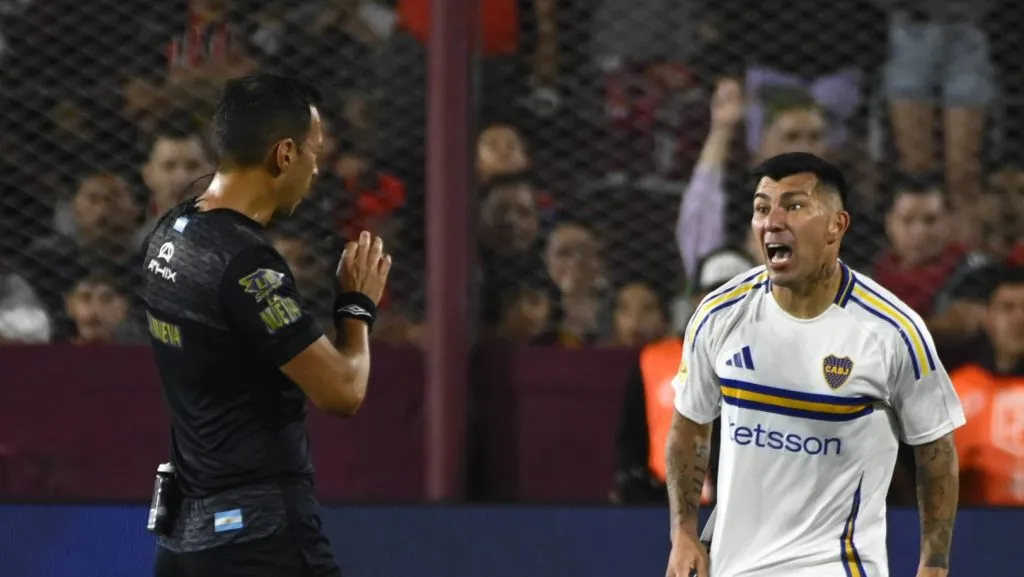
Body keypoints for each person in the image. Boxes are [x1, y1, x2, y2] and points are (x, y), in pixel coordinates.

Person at [664, 152, 965, 577]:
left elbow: (936, 452)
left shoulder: (893, 331)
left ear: (836, 226)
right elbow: (688, 428)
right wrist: (683, 533)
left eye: (795, 205)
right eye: (762, 207)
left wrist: (934, 565)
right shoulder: (719, 314)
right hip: (732, 566)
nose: (773, 220)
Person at [142, 74, 391, 577]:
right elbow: (343, 392)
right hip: (257, 538)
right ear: (283, 155)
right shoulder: (247, 264)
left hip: (185, 536)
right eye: (313, 152)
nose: (317, 169)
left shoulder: (170, 233)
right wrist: (357, 306)